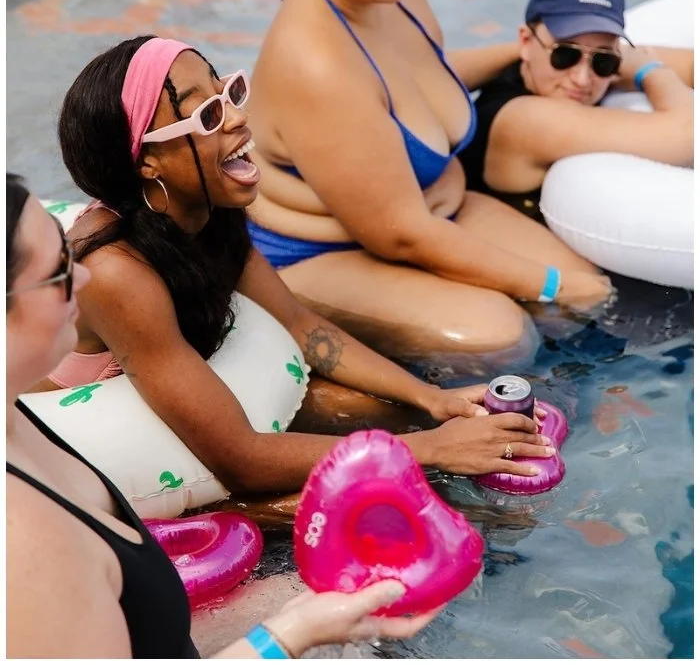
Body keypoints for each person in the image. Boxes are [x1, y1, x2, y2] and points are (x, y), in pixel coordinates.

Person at [32, 36, 556, 522]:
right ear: (149, 161)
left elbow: (300, 325)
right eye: (209, 114)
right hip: (65, 432)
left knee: (392, 418)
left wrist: (431, 398)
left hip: (172, 377)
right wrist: (430, 449)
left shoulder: (209, 210)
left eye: (229, 93)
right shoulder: (115, 273)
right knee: (380, 490)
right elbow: (240, 460)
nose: (238, 118)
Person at [6, 173, 445, 658]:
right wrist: (289, 636)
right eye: (59, 269)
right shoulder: (28, 544)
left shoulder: (18, 424)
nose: (84, 277)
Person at [245, 0, 612, 364]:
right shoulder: (316, 66)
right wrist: (550, 285)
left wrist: (531, 53)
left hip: (435, 210)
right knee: (501, 337)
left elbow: (418, 80)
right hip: (317, 252)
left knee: (591, 291)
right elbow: (401, 235)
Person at [459, 0, 694, 222]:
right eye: (564, 55)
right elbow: (688, 134)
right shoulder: (525, 120)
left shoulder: (568, 71)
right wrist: (651, 71)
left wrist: (615, 62)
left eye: (603, 60)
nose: (582, 79)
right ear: (525, 42)